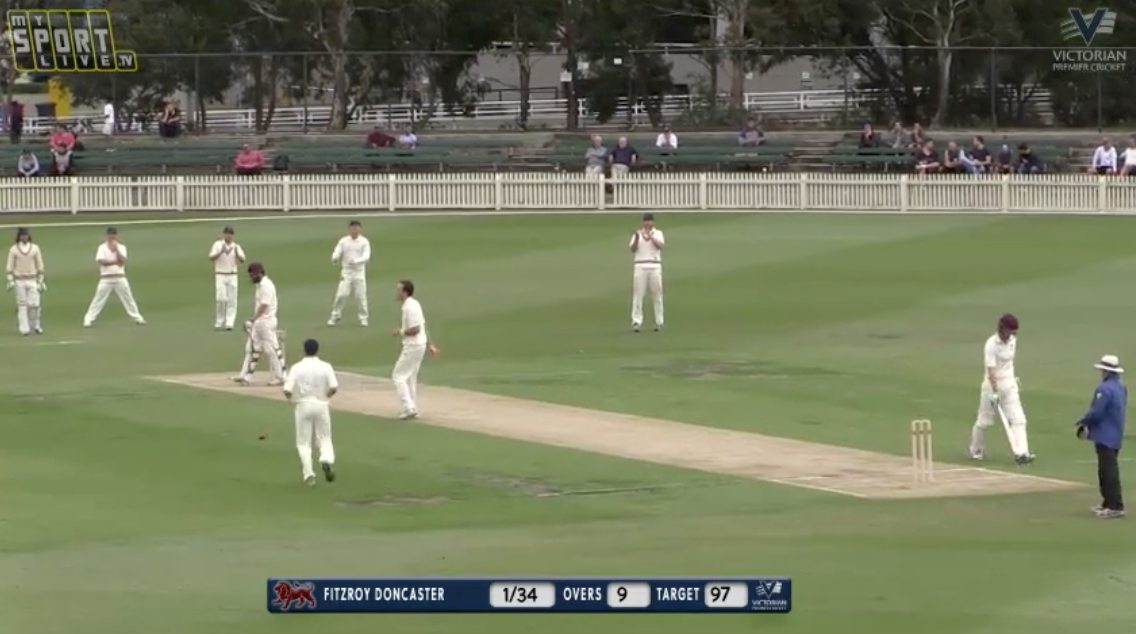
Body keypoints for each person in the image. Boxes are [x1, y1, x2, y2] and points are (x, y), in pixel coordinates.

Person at [969, 313, 1034, 464]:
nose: (1012, 335)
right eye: (1010, 331)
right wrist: (995, 391)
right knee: (984, 421)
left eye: (1014, 332)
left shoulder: (1012, 341)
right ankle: (976, 451)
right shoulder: (991, 345)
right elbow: (991, 370)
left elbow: (1008, 364)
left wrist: (1009, 382)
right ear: (1002, 329)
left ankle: (1023, 453)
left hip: (1010, 385)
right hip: (991, 388)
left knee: (1019, 420)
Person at [1076, 355, 1127, 519]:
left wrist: (1083, 421)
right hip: (1116, 432)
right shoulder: (1120, 387)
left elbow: (1097, 412)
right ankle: (1108, 502)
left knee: (1108, 471)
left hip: (1105, 435)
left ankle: (1114, 505)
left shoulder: (1103, 389)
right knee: (1106, 469)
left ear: (1106, 371)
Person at [283, 338, 339, 486]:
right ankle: (326, 459)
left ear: (304, 350)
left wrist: (291, 400)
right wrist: (325, 397)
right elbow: (334, 387)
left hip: (303, 405)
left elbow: (287, 390)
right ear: (317, 350)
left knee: (303, 442)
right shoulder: (326, 366)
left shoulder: (297, 367)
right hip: (321, 405)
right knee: (325, 437)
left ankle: (309, 475)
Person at [390, 280, 440, 419]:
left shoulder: (409, 308)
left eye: (399, 290)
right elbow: (423, 326)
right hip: (420, 344)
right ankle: (413, 407)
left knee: (398, 376)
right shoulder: (414, 304)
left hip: (413, 346)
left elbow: (416, 329)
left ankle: (408, 407)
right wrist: (431, 344)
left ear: (405, 292)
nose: (396, 292)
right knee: (410, 377)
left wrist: (399, 332)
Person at [232, 262, 286, 386]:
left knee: (272, 349)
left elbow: (264, 305)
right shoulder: (260, 285)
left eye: (253, 275)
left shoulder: (266, 286)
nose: (251, 278)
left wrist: (252, 319)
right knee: (251, 348)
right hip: (260, 322)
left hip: (266, 321)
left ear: (260, 273)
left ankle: (282, 377)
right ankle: (245, 375)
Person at [82, 227, 146, 327]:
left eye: (114, 235)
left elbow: (122, 260)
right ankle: (88, 319)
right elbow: (101, 261)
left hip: (120, 277)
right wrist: (115, 262)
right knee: (98, 300)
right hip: (106, 278)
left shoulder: (121, 247)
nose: (112, 237)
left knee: (128, 299)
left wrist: (116, 249)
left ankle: (138, 318)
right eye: (110, 235)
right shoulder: (102, 248)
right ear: (107, 236)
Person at [327, 220, 371, 327]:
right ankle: (335, 316)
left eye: (356, 228)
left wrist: (356, 261)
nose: (354, 231)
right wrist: (335, 257)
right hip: (346, 272)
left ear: (360, 229)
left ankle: (363, 318)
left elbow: (367, 256)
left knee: (361, 297)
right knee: (341, 294)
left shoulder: (364, 242)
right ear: (349, 229)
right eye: (352, 228)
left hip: (359, 273)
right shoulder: (344, 241)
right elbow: (337, 250)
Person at [629, 212, 665, 333]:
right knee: (638, 294)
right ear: (643, 222)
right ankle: (636, 321)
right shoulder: (637, 234)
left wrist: (651, 237)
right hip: (640, 264)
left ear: (653, 222)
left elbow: (660, 246)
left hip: (655, 265)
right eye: (646, 221)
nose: (647, 223)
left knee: (657, 294)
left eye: (650, 221)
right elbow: (633, 249)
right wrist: (637, 238)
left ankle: (659, 321)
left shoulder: (658, 233)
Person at [5, 227, 45, 335]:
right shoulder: (14, 249)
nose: (24, 237)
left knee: (34, 305)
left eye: (26, 235)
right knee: (22, 305)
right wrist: (10, 279)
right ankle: (24, 328)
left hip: (32, 279)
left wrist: (41, 279)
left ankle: (35, 325)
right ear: (19, 236)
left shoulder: (35, 248)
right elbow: (10, 265)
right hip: (19, 280)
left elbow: (39, 264)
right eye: (22, 235)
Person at [208, 226, 246, 331]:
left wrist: (237, 254)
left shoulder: (236, 246)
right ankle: (219, 321)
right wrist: (220, 252)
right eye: (227, 234)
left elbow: (243, 259)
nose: (228, 236)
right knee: (221, 298)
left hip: (232, 274)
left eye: (230, 234)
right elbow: (211, 257)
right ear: (223, 234)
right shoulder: (218, 245)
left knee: (232, 300)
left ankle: (229, 322)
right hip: (220, 274)